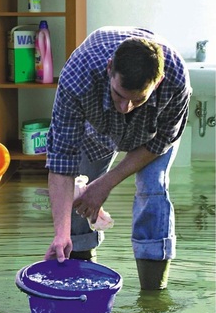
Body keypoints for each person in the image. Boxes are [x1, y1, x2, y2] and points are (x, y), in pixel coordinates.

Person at [44, 26, 191, 289]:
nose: (125, 108)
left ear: (157, 83)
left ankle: (153, 293)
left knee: (153, 187)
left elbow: (161, 142)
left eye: (137, 100)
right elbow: (61, 159)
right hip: (98, 130)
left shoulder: (176, 79)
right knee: (79, 195)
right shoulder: (79, 77)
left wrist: (105, 183)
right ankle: (79, 272)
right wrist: (60, 233)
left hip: (151, 136)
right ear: (110, 68)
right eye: (119, 96)